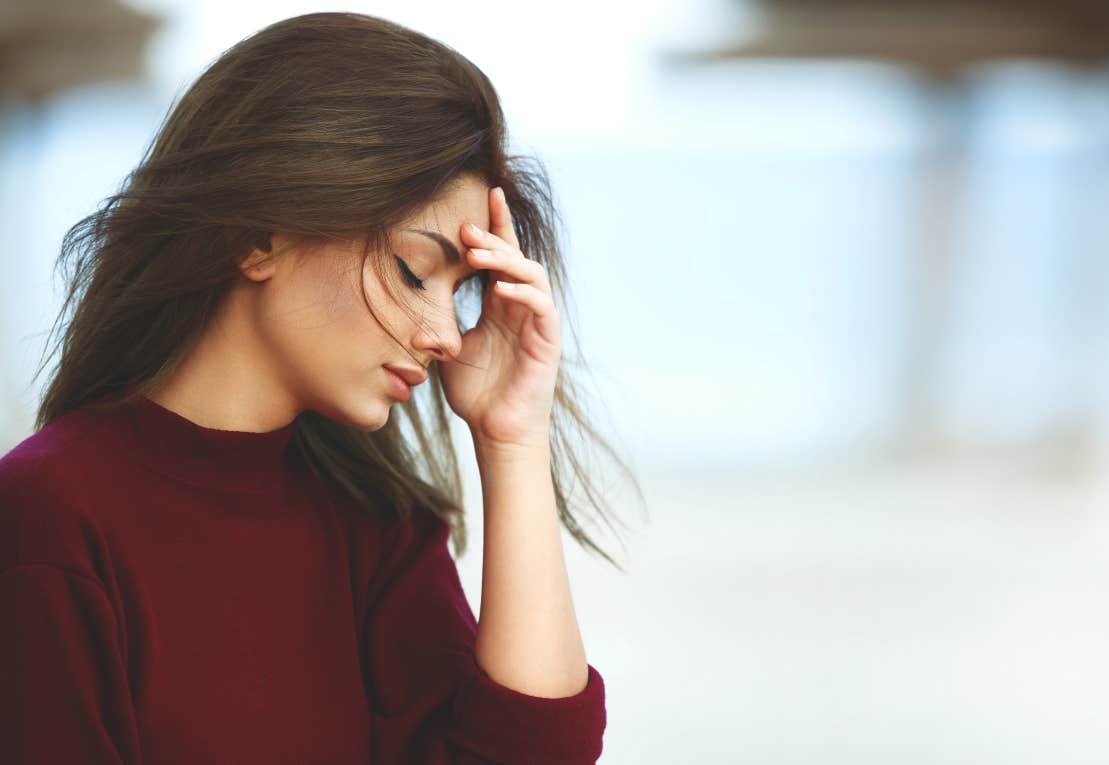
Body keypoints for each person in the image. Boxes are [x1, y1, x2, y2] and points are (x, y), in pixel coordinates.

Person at [0, 11, 641, 764]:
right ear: (259, 234)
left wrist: (513, 439)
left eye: (460, 292)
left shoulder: (373, 516)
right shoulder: (50, 516)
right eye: (413, 271)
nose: (443, 334)